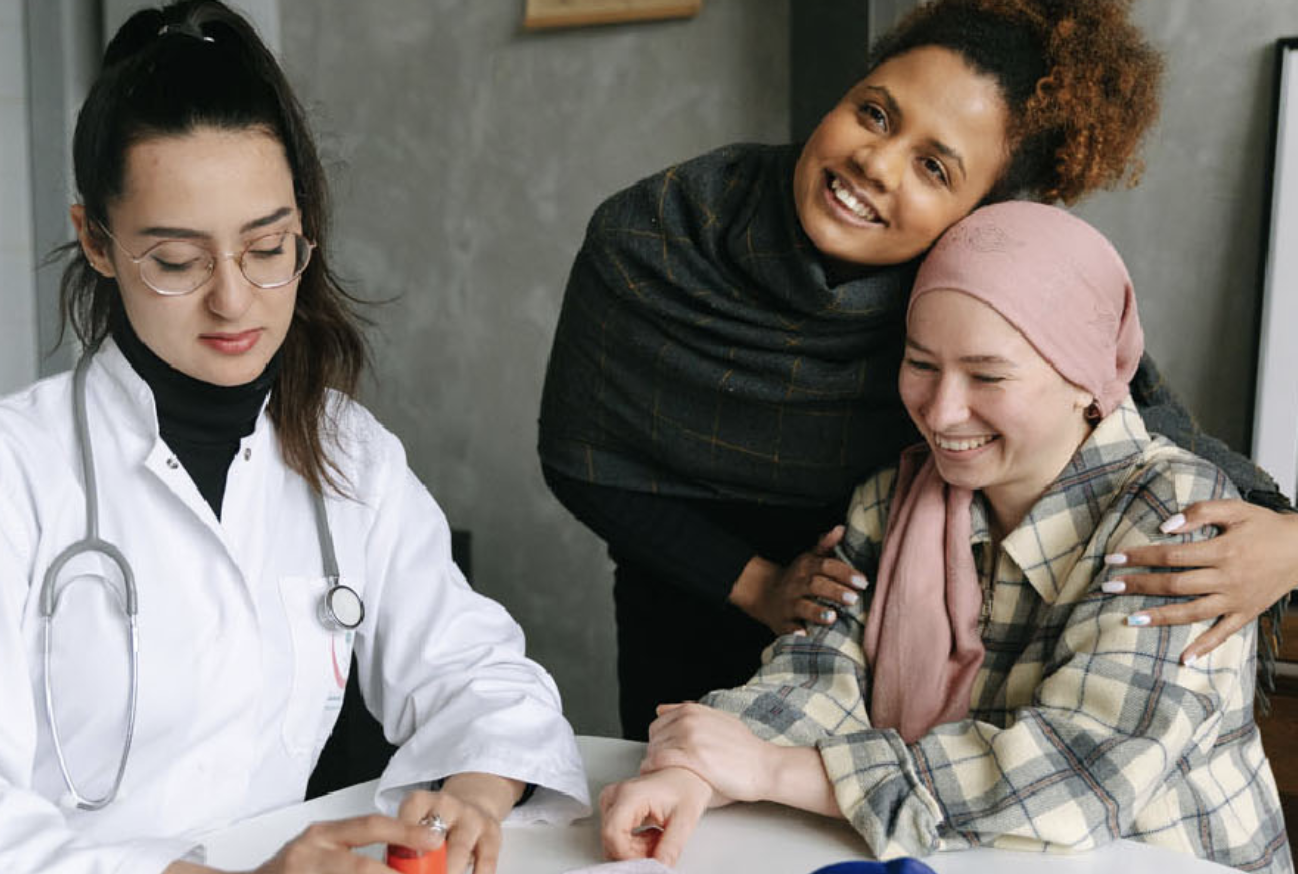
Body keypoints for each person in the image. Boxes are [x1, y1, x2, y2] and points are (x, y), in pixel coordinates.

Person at [538, 0, 1297, 742]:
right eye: (874, 113)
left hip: (900, 619)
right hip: (699, 595)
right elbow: (585, 461)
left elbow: (1126, 404)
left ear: (979, 214)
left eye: (934, 167)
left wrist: (1288, 541)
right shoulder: (654, 237)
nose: (874, 162)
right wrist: (760, 585)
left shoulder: (978, 285)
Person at [0, 3, 588, 873]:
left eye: (268, 247)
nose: (234, 301)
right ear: (97, 240)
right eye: (176, 261)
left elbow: (482, 676)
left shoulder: (349, 454)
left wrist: (470, 796)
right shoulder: (18, 469)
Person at [598, 202, 1293, 873]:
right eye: (922, 364)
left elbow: (1081, 776)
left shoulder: (1176, 512)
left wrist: (775, 770)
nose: (940, 409)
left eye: (987, 374)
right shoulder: (891, 498)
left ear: (1086, 378)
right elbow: (818, 674)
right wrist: (698, 772)